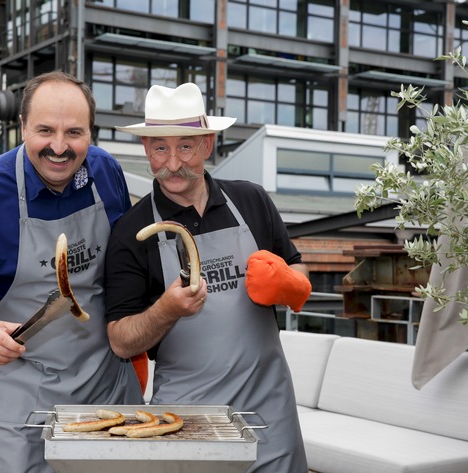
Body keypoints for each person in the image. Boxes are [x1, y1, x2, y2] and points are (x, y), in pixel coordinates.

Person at [0, 71, 143, 473]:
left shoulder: (105, 173)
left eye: (74, 132)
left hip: (106, 386)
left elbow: (126, 265)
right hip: (19, 396)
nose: (59, 147)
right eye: (45, 130)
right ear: (22, 126)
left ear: (91, 133)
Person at [104, 82, 312, 473]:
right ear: (147, 150)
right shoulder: (130, 232)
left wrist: (288, 281)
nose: (173, 162)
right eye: (160, 148)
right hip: (188, 418)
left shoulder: (252, 200)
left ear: (208, 145)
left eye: (185, 146)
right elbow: (119, 340)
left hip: (269, 412)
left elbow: (297, 266)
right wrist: (165, 310)